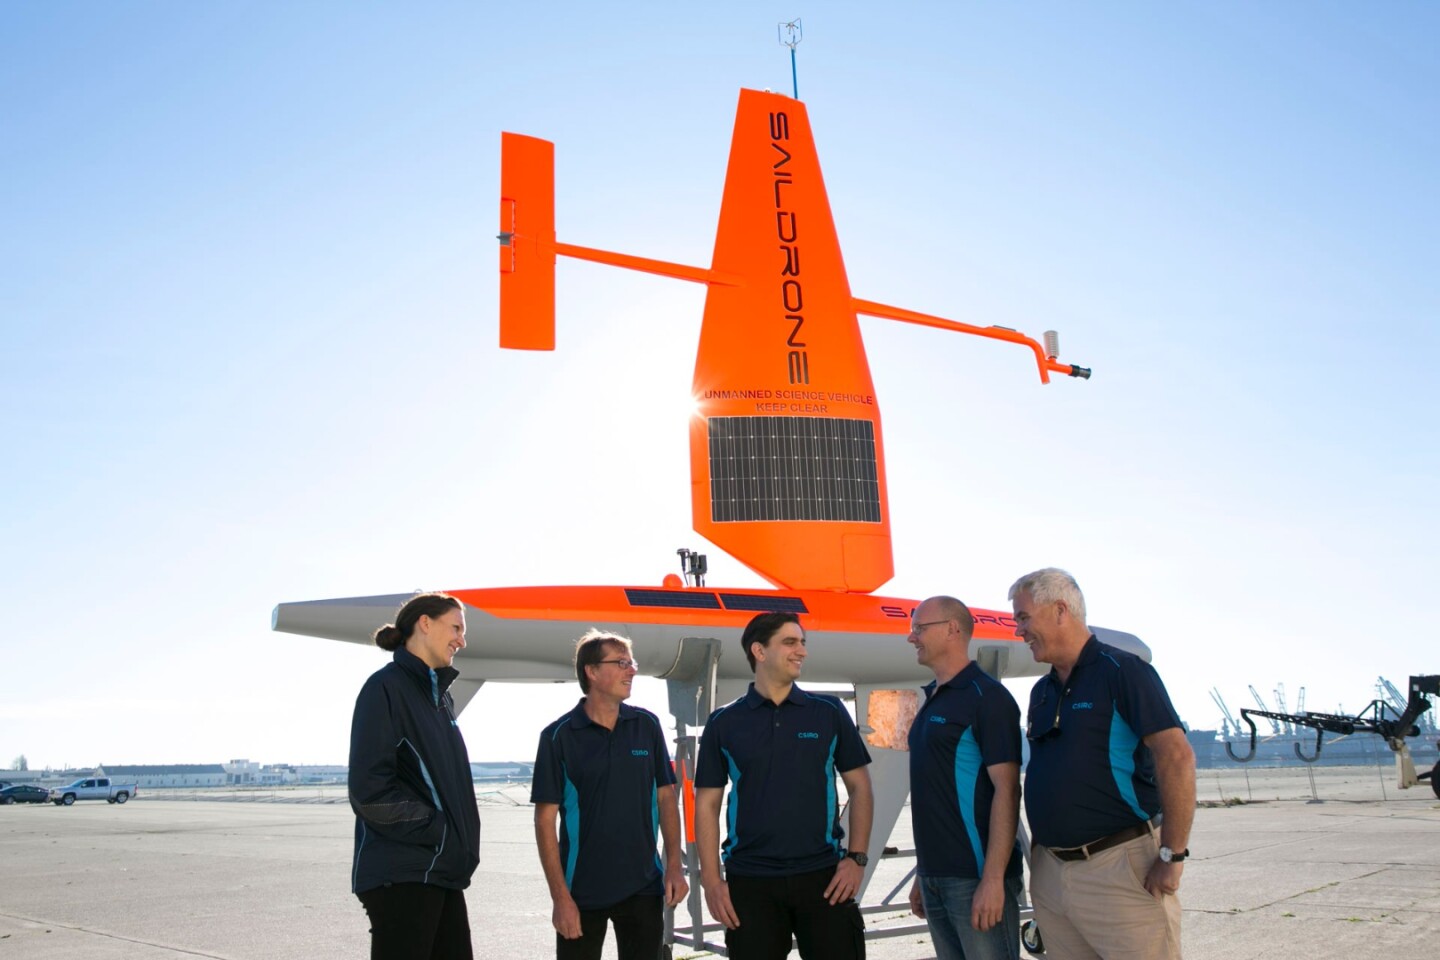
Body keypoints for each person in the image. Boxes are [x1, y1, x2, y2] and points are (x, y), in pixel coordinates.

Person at [1010, 568, 1195, 960]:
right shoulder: (1041, 692)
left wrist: (1172, 855)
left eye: (1024, 618)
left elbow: (1176, 756)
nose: (1018, 631)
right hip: (1052, 873)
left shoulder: (1123, 672)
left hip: (1118, 869)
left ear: (1060, 609)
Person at [694, 611, 874, 960]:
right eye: (790, 642)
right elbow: (707, 805)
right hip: (750, 883)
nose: (801, 651)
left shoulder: (828, 711)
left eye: (802, 642)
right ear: (759, 651)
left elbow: (861, 787)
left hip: (824, 879)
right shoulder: (724, 722)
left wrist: (857, 858)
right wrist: (712, 882)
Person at [531, 630, 688, 960]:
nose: (631, 670)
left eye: (631, 662)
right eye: (621, 663)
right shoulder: (557, 736)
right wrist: (560, 898)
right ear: (591, 671)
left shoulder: (647, 725)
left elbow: (665, 799)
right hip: (581, 892)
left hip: (644, 887)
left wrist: (674, 866)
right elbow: (545, 822)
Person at [349, 592, 482, 960]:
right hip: (404, 873)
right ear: (425, 623)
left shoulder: (440, 699)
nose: (462, 639)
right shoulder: (385, 688)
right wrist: (439, 830)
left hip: (438, 869)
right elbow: (370, 792)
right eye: (455, 627)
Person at [905, 595, 1023, 960]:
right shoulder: (932, 698)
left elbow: (1007, 789)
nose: (912, 637)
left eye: (920, 628)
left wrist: (992, 880)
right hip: (935, 877)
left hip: (975, 879)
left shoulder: (987, 698)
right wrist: (922, 874)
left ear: (953, 629)